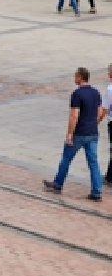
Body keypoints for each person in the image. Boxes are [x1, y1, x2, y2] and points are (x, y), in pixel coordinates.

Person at [43, 67, 105, 201]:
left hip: (79, 133)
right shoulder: (96, 92)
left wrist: (69, 134)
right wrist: (93, 124)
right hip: (93, 133)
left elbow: (74, 116)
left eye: (75, 76)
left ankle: (58, 184)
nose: (74, 78)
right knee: (93, 163)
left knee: (66, 158)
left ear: (80, 77)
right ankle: (97, 191)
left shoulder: (77, 94)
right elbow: (100, 112)